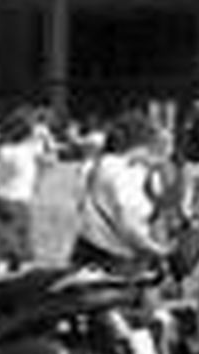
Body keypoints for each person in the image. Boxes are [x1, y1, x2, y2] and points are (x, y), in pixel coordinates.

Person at [69, 111, 171, 274]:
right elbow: (130, 227)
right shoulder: (127, 173)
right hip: (117, 261)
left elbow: (80, 204)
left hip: (85, 249)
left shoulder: (92, 165)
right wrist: (162, 252)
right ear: (140, 145)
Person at [0, 106, 54, 273]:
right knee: (17, 258)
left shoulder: (4, 150)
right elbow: (52, 160)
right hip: (19, 206)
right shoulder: (31, 151)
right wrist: (47, 137)